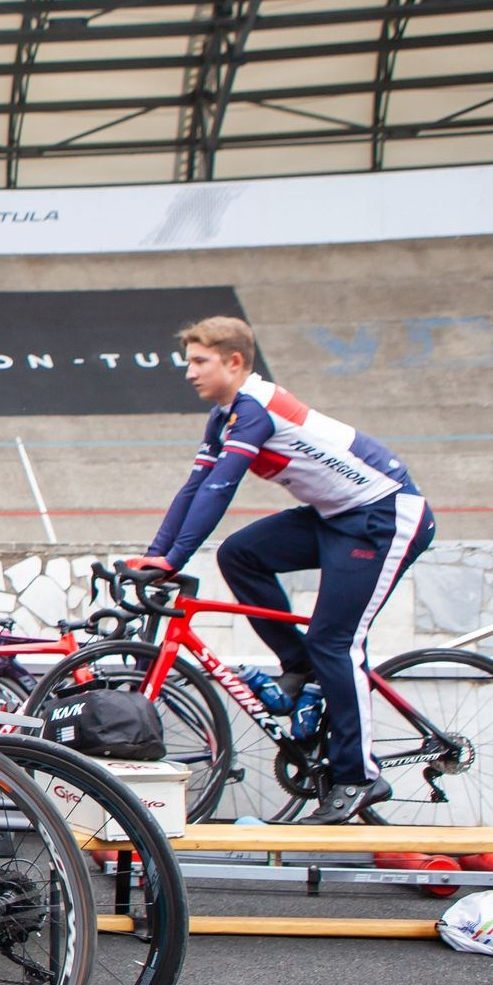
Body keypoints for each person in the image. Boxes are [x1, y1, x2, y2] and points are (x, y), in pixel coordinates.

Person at [128, 316, 434, 825]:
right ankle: (301, 666)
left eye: (199, 361)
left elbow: (220, 488)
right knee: (240, 555)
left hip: (384, 517)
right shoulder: (224, 416)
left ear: (234, 362)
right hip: (335, 517)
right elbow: (194, 487)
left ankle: (359, 778)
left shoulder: (255, 409)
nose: (189, 373)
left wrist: (175, 559)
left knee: (336, 643)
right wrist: (156, 555)